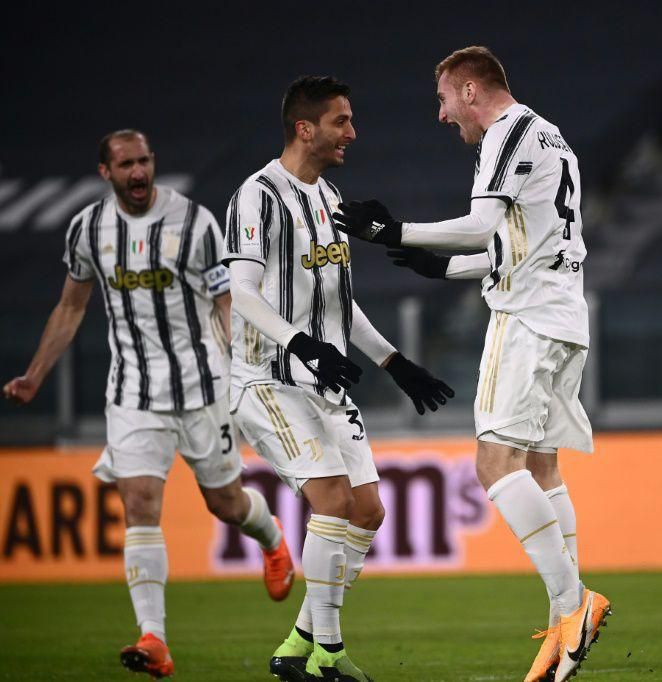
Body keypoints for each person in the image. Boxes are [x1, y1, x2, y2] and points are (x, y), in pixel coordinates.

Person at [333, 46, 610, 682]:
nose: (440, 115)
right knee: (540, 464)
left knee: (492, 462)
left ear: (469, 90)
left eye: (442, 100)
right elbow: (519, 242)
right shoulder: (551, 136)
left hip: (528, 318)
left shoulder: (507, 133)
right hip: (565, 314)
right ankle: (563, 623)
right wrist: (449, 267)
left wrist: (393, 232)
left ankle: (574, 606)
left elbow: (478, 224)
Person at [3, 129, 293, 679]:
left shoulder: (195, 224)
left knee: (226, 506)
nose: (138, 172)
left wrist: (249, 372)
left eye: (144, 161)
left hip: (202, 386)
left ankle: (273, 539)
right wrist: (36, 375)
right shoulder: (89, 230)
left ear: (153, 163)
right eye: (126, 164)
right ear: (105, 173)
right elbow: (70, 307)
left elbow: (225, 302)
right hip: (132, 393)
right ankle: (154, 637)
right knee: (139, 505)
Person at [223, 75, 454, 682]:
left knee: (369, 511)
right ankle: (329, 653)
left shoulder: (329, 199)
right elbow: (241, 295)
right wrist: (299, 343)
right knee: (330, 500)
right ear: (306, 128)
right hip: (267, 379)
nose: (352, 133)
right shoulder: (258, 197)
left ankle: (300, 643)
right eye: (341, 122)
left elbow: (339, 301)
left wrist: (394, 363)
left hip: (322, 381)